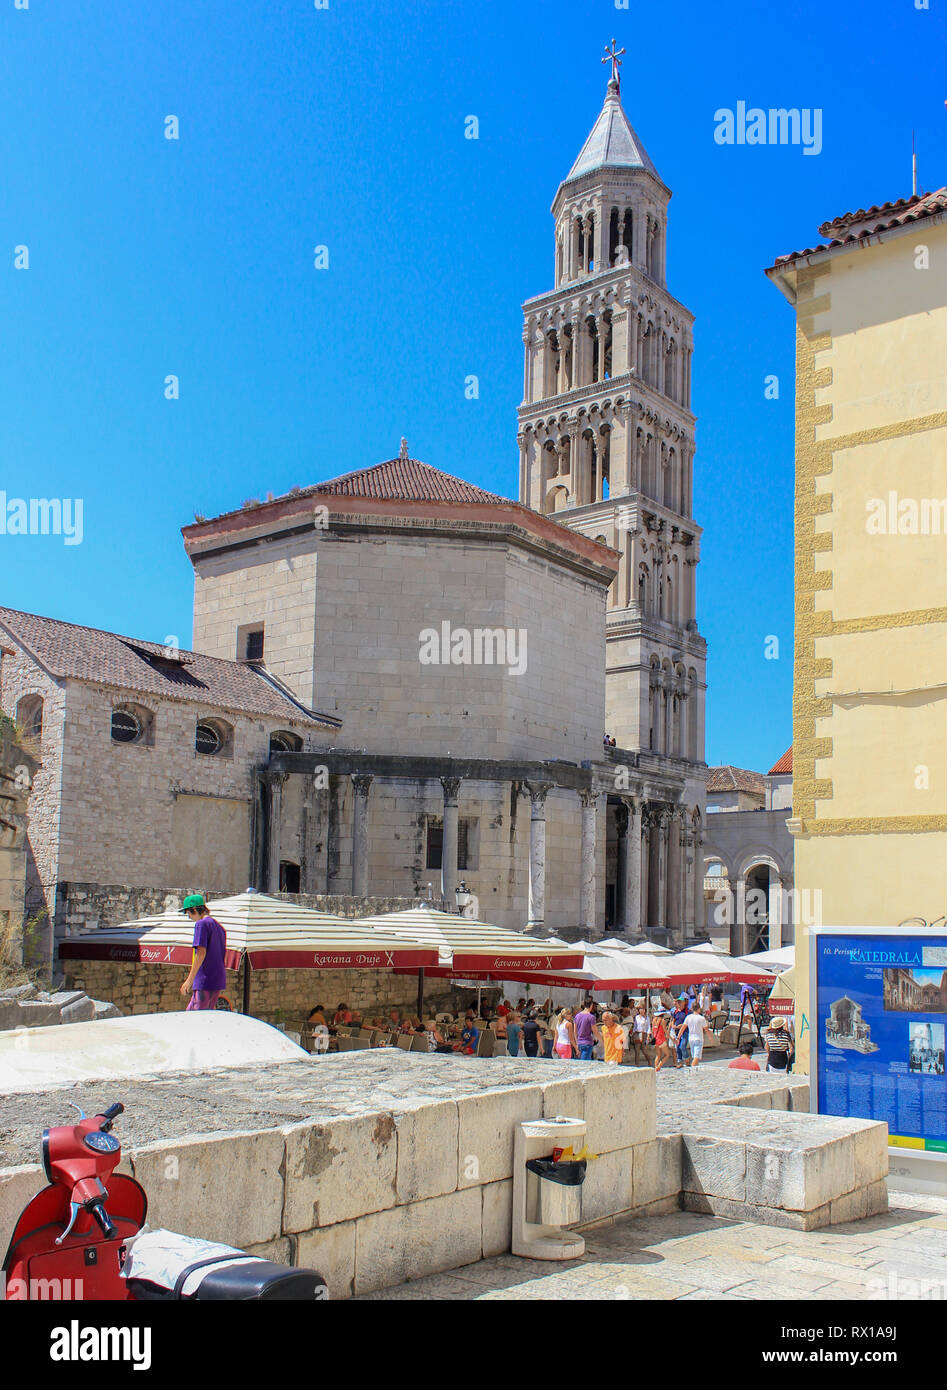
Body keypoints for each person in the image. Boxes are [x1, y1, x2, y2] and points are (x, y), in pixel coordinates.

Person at [179, 894, 226, 1010]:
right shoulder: (219, 928)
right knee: (200, 1016)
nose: (189, 917)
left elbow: (200, 952)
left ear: (194, 910)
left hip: (204, 980)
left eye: (188, 913)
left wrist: (189, 981)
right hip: (217, 979)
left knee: (196, 1019)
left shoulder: (201, 924)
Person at [672, 999, 689, 1069]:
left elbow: (688, 1021)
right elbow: (673, 1020)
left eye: (680, 1002)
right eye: (678, 1002)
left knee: (682, 1045)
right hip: (677, 1031)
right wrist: (673, 1025)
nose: (679, 1004)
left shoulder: (686, 1011)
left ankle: (686, 1058)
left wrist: (682, 1025)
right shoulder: (675, 1012)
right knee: (678, 1047)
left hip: (685, 1031)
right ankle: (680, 1062)